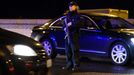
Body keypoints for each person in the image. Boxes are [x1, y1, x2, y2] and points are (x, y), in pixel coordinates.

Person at [62, 1, 81, 71]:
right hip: (67, 35)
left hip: (74, 36)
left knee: (74, 51)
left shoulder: (77, 15)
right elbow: (64, 23)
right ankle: (69, 65)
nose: (70, 7)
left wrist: (71, 24)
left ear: (75, 6)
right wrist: (64, 27)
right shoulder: (68, 15)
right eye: (70, 6)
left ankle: (75, 66)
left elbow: (78, 24)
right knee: (68, 51)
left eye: (72, 5)